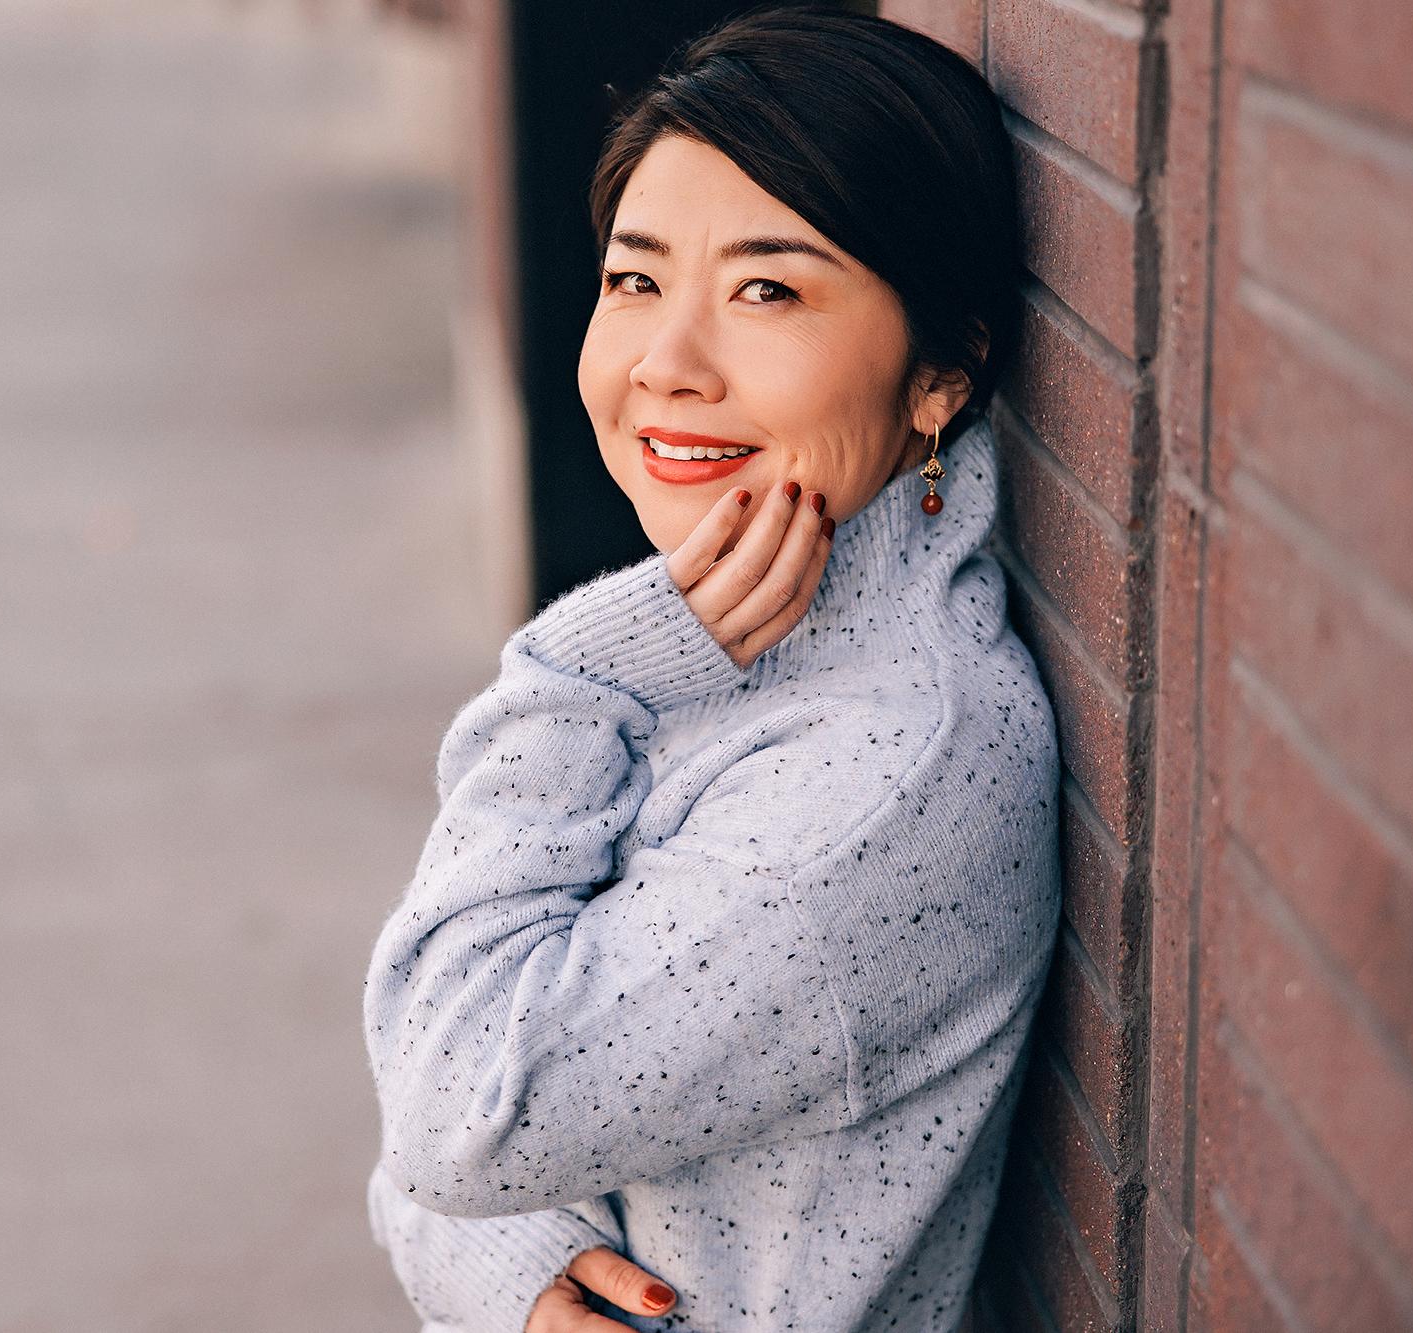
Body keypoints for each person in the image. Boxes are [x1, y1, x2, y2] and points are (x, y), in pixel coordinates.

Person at [361, 9, 1060, 1330]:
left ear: (941, 375)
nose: (667, 366)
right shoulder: (730, 653)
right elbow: (423, 1111)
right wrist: (514, 1274)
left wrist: (579, 675)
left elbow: (449, 1109)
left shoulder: (877, 782)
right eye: (635, 281)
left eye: (766, 290)